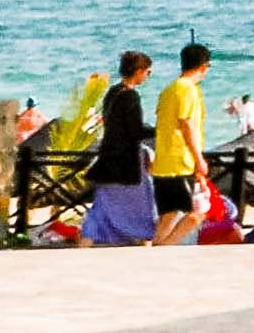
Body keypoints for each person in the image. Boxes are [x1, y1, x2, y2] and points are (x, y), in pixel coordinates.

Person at [78, 47, 158, 246]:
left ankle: (85, 244)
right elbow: (135, 130)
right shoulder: (130, 96)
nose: (147, 76)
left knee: (102, 206)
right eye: (148, 72)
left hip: (108, 159)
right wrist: (160, 130)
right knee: (142, 204)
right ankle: (145, 242)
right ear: (139, 71)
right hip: (125, 163)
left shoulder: (113, 92)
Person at [150, 42, 213, 244]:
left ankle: (158, 246)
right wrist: (199, 159)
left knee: (169, 213)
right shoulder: (188, 90)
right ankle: (165, 246)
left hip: (164, 161)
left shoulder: (169, 90)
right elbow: (187, 125)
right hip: (180, 161)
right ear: (204, 66)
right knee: (198, 210)